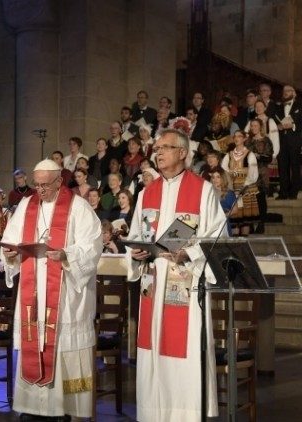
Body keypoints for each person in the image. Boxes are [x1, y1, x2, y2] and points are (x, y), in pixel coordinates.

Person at [126, 129, 226, 421]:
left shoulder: (202, 189)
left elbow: (216, 235)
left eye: (165, 148)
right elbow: (135, 235)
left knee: (182, 353)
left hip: (185, 281)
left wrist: (190, 254)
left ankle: (184, 414)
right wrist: (136, 252)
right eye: (156, 148)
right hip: (153, 283)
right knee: (153, 348)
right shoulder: (147, 192)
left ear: (182, 153)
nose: (158, 153)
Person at [0, 159, 102, 420]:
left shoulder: (79, 207)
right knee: (35, 344)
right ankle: (34, 408)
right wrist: (10, 253)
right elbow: (10, 239)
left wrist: (66, 254)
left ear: (59, 181)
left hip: (66, 291)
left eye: (45, 184)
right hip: (34, 290)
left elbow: (92, 246)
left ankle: (69, 408)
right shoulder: (26, 204)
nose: (40, 190)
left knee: (68, 350)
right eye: (36, 184)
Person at [274, 85, 302, 199]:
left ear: (293, 93)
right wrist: (278, 126)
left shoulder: (299, 106)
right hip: (281, 141)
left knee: (294, 166)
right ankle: (283, 192)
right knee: (282, 167)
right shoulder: (278, 106)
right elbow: (273, 121)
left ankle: (294, 192)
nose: (285, 92)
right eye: (284, 91)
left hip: (294, 141)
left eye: (288, 91)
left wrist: (293, 125)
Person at [222, 131, 260, 236]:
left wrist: (242, 188)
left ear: (244, 139)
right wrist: (229, 188)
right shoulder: (228, 155)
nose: (236, 138)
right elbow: (224, 172)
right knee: (234, 220)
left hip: (245, 190)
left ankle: (243, 245)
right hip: (232, 189)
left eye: (239, 136)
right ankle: (234, 246)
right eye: (235, 136)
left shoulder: (249, 154)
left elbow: (253, 174)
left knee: (245, 221)